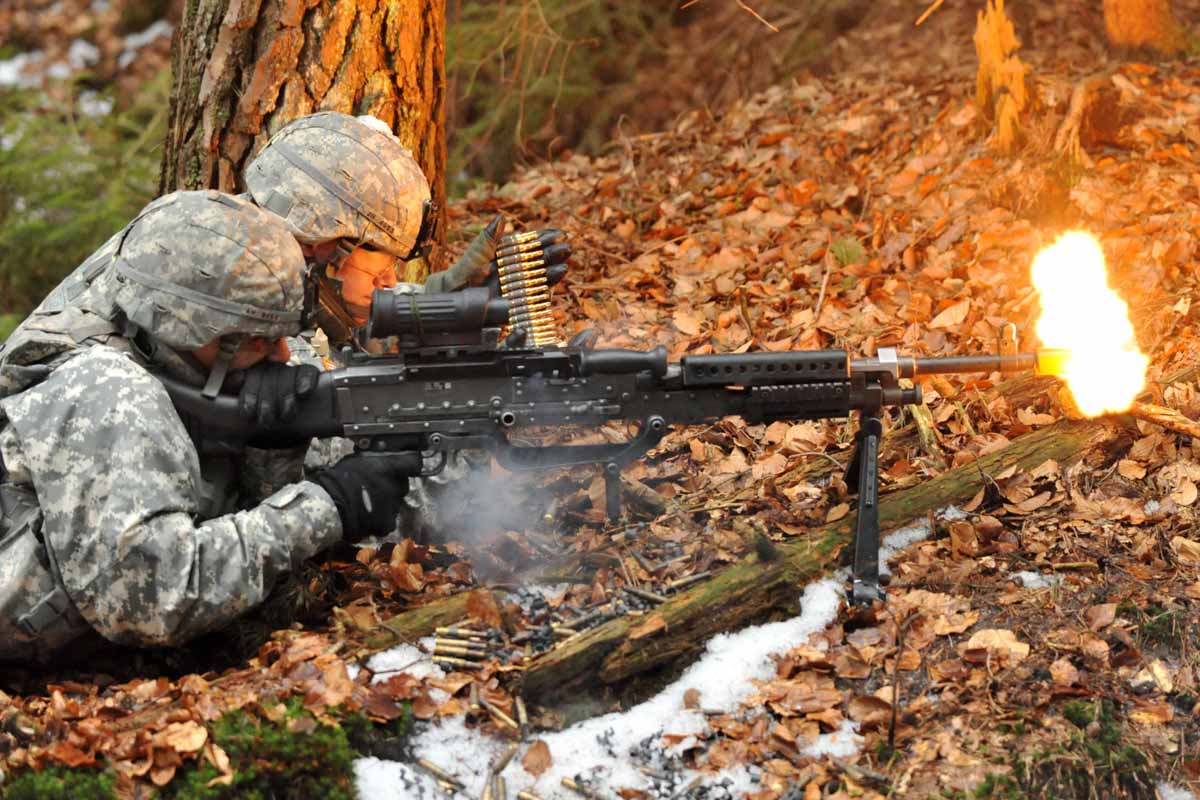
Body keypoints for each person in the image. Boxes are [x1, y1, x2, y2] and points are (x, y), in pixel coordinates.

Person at [0, 191, 413, 663]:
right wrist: (328, 504)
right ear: (198, 332)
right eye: (261, 339)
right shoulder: (108, 390)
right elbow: (153, 600)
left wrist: (274, 444)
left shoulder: (173, 370)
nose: (281, 355)